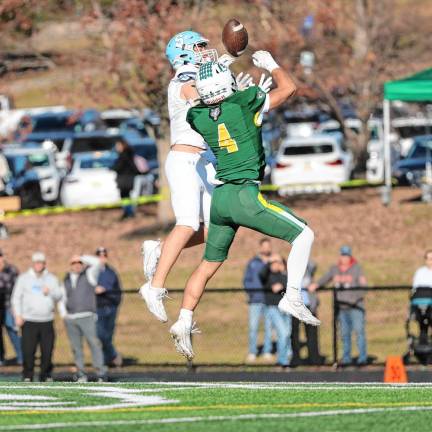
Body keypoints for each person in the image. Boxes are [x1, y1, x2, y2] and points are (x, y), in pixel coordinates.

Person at [169, 51, 320, 360]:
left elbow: (204, 103)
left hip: (220, 198)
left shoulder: (197, 116)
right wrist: (272, 64)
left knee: (207, 265)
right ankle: (292, 296)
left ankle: (184, 319)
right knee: (304, 235)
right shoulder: (245, 102)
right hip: (242, 194)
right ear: (228, 85)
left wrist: (221, 78)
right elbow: (288, 89)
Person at [140, 30, 267, 322]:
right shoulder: (184, 80)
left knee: (214, 228)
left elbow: (217, 80)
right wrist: (226, 88)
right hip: (185, 158)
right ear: (183, 52)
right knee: (186, 223)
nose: (204, 51)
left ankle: (158, 249)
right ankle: (154, 286)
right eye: (198, 47)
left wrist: (231, 73)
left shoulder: (200, 74)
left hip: (204, 161)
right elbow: (200, 96)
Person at [309, 245, 368, 366]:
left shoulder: (357, 269)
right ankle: (346, 359)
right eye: (342, 255)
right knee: (344, 334)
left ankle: (362, 359)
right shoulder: (334, 269)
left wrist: (353, 299)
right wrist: (316, 285)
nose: (344, 258)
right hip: (341, 308)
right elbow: (324, 279)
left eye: (346, 255)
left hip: (355, 307)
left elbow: (363, 287)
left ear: (350, 256)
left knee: (359, 332)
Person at [11, 252, 62, 382]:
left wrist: (50, 291)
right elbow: (16, 298)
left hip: (47, 321)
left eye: (41, 262)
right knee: (28, 351)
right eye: (36, 262)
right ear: (33, 263)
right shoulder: (24, 278)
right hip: (29, 321)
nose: (39, 265)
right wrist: (18, 315)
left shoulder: (51, 278)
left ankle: (45, 375)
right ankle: (27, 375)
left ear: (44, 264)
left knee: (47, 351)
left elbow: (59, 295)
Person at [59, 254, 107, 382]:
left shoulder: (89, 275)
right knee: (76, 347)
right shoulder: (66, 279)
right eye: (74, 263)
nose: (77, 265)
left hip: (87, 316)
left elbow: (97, 262)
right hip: (71, 317)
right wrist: (64, 315)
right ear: (70, 265)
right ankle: (80, 373)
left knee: (94, 344)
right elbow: (62, 298)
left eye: (79, 263)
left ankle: (100, 373)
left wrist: (81, 256)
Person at [243, 238, 273, 362]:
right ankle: (252, 352)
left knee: (269, 327)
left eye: (268, 246)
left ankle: (267, 351)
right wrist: (252, 293)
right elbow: (246, 280)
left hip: (269, 300)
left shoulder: (274, 262)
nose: (266, 248)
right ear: (260, 247)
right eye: (264, 246)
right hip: (255, 300)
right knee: (253, 327)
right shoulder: (253, 263)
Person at [260, 254, 292, 368]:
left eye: (277, 262)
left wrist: (283, 272)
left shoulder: (283, 275)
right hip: (273, 308)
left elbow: (289, 284)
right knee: (283, 333)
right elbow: (261, 274)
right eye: (273, 263)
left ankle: (285, 357)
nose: (275, 265)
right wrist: (268, 261)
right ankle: (282, 360)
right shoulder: (267, 275)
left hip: (285, 308)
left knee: (287, 334)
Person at [291, 260, 324, 365]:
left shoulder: (308, 270)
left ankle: (314, 358)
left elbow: (313, 265)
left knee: (312, 334)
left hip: (309, 307)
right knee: (294, 334)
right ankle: (296, 359)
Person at [94, 246, 123, 367]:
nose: (102, 258)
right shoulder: (91, 272)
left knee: (108, 336)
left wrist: (114, 301)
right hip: (97, 308)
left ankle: (106, 361)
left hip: (110, 307)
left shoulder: (111, 272)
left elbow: (117, 290)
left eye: (104, 256)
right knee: (100, 334)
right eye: (99, 256)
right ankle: (113, 355)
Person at [0, 249, 21, 365]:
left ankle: (22, 357)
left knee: (13, 331)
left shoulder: (12, 270)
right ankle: (1, 359)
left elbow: (19, 289)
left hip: (9, 307)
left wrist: (16, 308)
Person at [111, 139, 139, 220]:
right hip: (128, 179)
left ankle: (128, 213)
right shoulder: (129, 155)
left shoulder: (123, 156)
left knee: (124, 196)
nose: (117, 148)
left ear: (122, 145)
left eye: (118, 146)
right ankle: (128, 212)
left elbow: (118, 167)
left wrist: (112, 168)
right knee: (126, 196)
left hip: (124, 179)